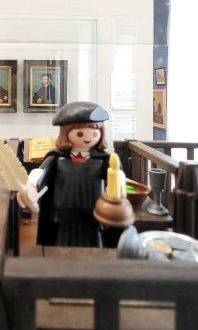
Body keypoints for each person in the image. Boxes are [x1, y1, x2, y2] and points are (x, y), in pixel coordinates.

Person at [17, 101, 126, 247]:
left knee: (94, 244)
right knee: (62, 244)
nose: (87, 138)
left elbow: (116, 177)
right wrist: (31, 186)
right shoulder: (57, 158)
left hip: (94, 213)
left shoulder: (104, 160)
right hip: (64, 213)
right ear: (66, 133)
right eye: (80, 133)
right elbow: (41, 172)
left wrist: (118, 187)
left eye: (94, 133)